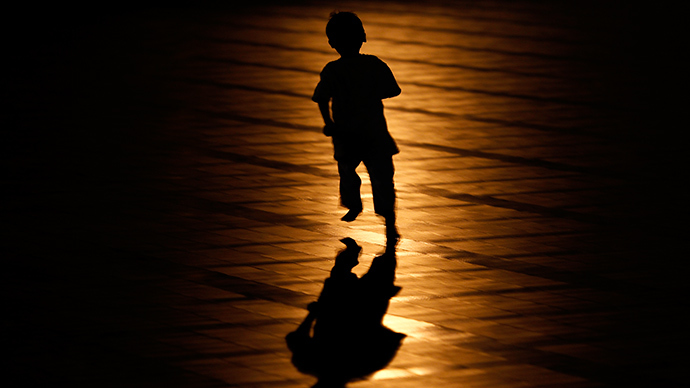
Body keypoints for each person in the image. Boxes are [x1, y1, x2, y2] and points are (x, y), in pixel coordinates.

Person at [312, 11, 401, 243]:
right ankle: (389, 221)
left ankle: (353, 204)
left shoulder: (332, 70)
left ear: (332, 43)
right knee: (382, 177)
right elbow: (393, 90)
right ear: (363, 36)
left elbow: (322, 98)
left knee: (347, 172)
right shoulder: (374, 64)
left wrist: (328, 123)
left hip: (346, 134)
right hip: (374, 133)